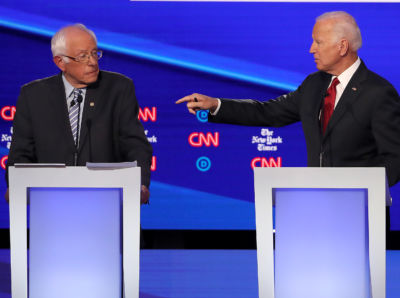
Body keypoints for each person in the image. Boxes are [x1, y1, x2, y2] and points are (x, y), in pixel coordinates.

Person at [176, 11, 400, 188]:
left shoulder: (378, 92)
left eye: (318, 42)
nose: (311, 49)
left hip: (362, 211)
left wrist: (361, 188)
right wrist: (216, 105)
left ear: (342, 46)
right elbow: (267, 112)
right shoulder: (314, 84)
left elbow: (395, 158)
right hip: (316, 204)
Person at [6, 24, 153, 203]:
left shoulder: (119, 88)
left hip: (109, 203)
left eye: (94, 53)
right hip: (52, 206)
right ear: (60, 62)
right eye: (83, 56)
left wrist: (140, 185)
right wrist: (16, 186)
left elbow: (135, 145)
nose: (92, 62)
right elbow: (20, 153)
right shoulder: (33, 95)